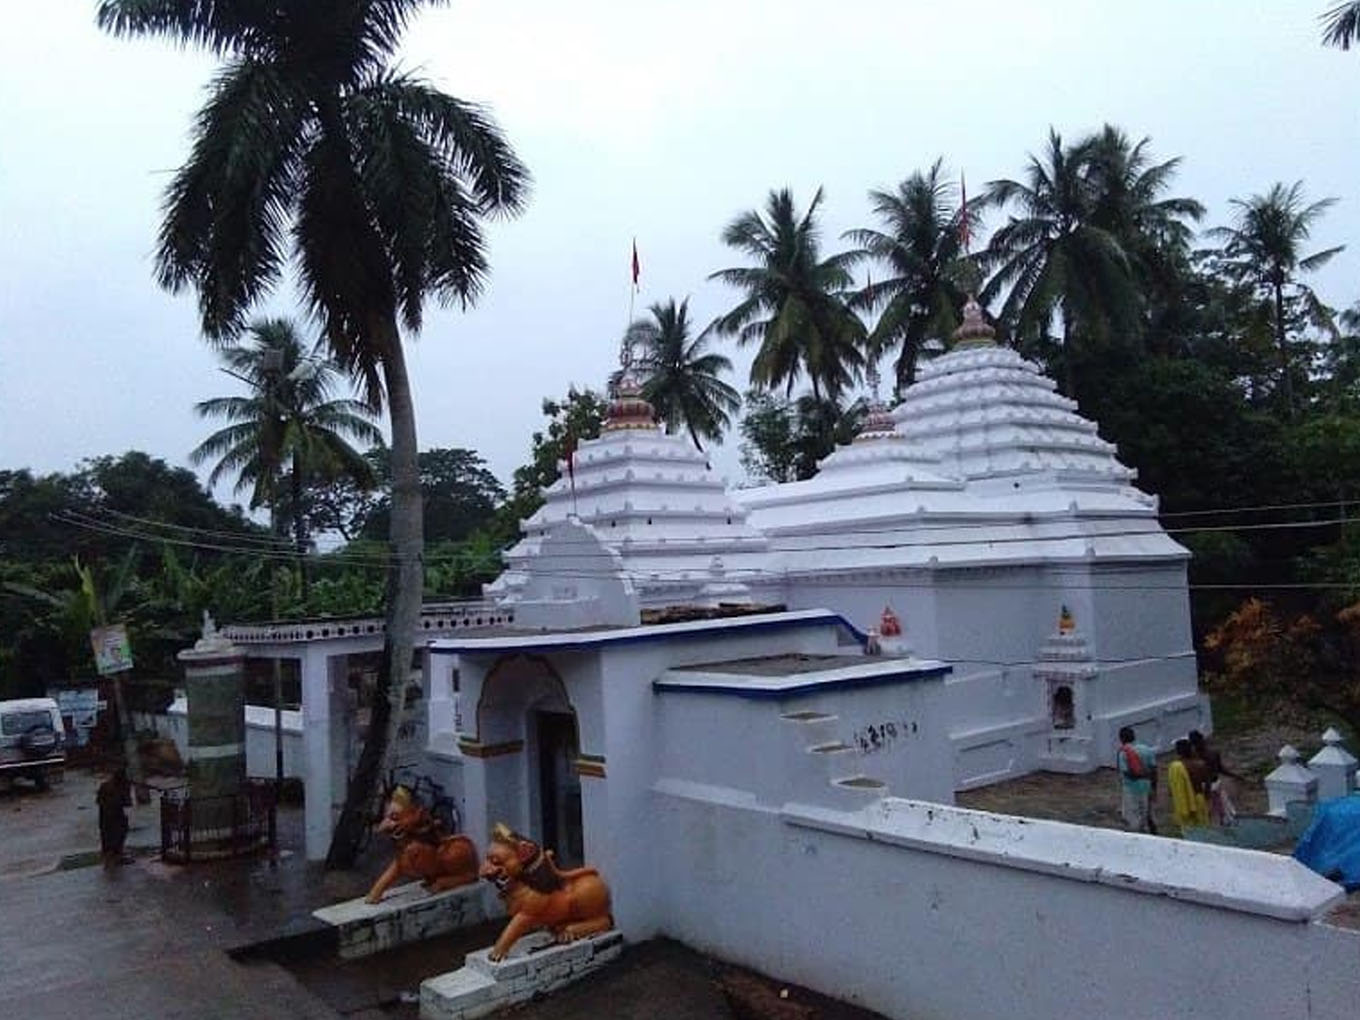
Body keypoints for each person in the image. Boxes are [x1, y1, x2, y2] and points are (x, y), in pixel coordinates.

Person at [1190, 730, 1239, 826]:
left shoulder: (1195, 756)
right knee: (1222, 812)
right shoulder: (1204, 754)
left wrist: (1235, 775)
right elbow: (1221, 769)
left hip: (1208, 787)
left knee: (1219, 813)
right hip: (1209, 787)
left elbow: (1220, 769)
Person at [1116, 726, 1158, 834]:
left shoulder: (1123, 753)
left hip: (1131, 788)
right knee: (1147, 813)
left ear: (1121, 739)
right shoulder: (1147, 749)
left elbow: (1126, 773)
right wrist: (1154, 787)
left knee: (1133, 817)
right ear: (1134, 736)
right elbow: (1154, 770)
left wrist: (1139, 775)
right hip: (1147, 786)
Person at [1167, 739, 1210, 835]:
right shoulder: (1200, 765)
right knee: (1203, 830)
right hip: (1199, 800)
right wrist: (1207, 801)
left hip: (1183, 804)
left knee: (1188, 832)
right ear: (1192, 749)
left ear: (1177, 752)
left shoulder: (1174, 767)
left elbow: (1171, 789)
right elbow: (1207, 785)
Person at [97, 767, 132, 864]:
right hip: (115, 815)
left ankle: (110, 854)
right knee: (120, 832)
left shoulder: (105, 786)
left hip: (105, 816)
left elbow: (99, 801)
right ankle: (116, 855)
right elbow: (127, 802)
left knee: (108, 835)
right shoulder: (122, 787)